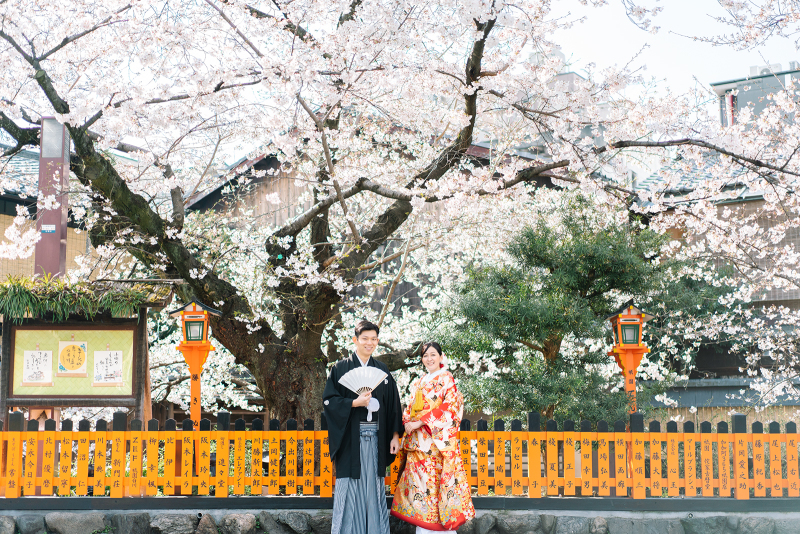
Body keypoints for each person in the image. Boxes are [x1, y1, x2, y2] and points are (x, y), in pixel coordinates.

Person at [323, 320, 403, 534]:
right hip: (351, 438)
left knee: (374, 487)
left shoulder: (382, 370)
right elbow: (329, 401)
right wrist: (353, 403)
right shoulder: (340, 368)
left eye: (374, 339)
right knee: (349, 486)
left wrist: (395, 435)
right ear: (355, 340)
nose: (370, 343)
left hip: (377, 437)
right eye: (365, 338)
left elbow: (393, 404)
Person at [391, 342, 475, 533]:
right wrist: (407, 421)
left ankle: (441, 529)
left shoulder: (447, 378)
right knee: (420, 490)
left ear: (441, 356)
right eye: (425, 356)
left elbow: (450, 409)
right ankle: (424, 528)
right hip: (418, 446)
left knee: (435, 489)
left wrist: (421, 422)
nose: (429, 359)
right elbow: (411, 407)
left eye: (433, 355)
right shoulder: (420, 381)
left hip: (435, 446)